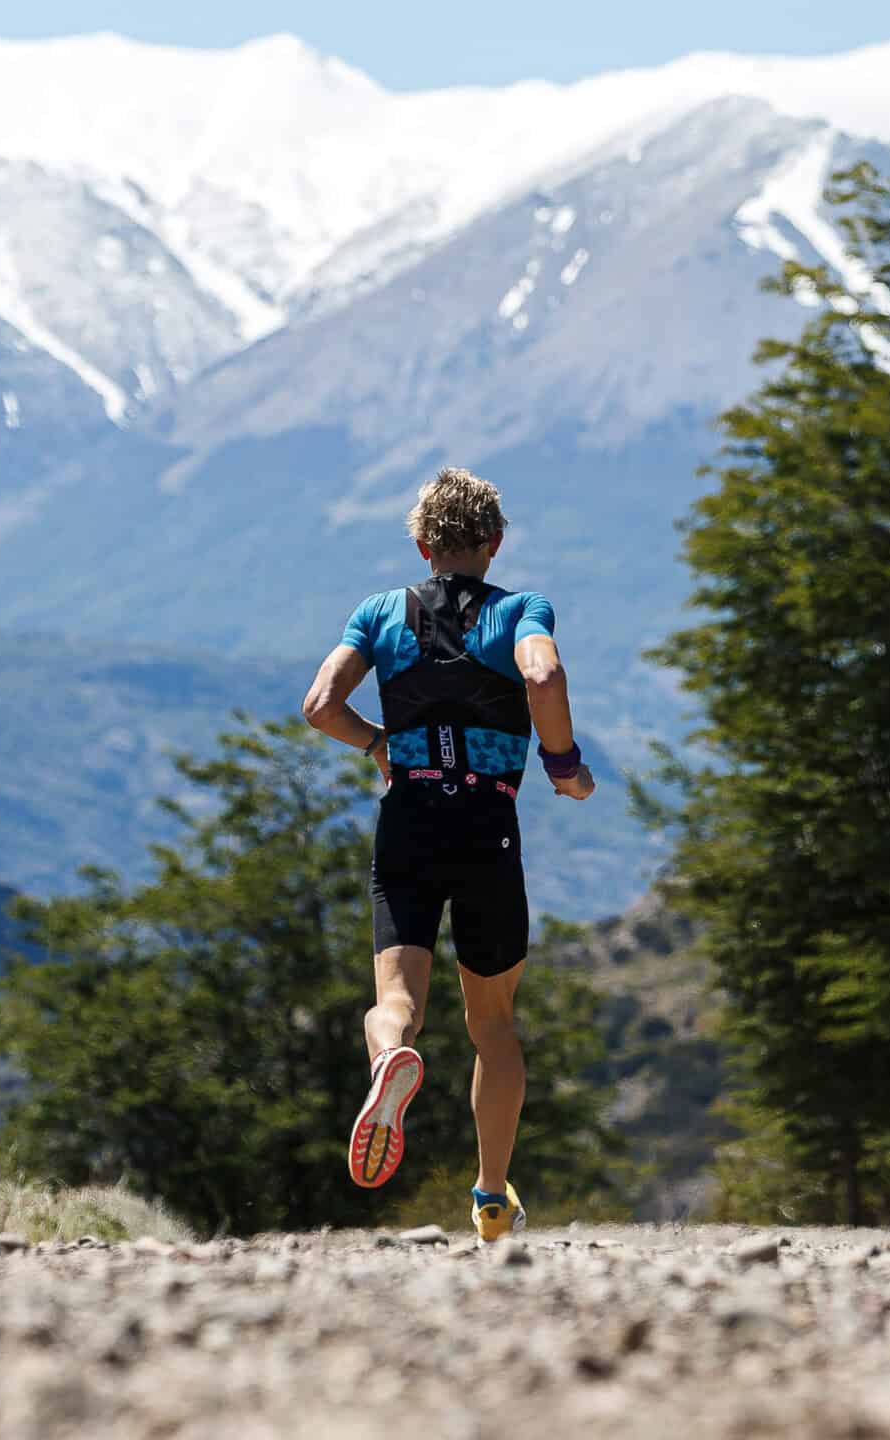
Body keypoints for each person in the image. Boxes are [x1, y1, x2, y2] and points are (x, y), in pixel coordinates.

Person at [300, 467, 595, 1242]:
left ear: (423, 545)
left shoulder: (379, 612)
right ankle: (491, 1199)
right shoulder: (520, 611)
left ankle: (390, 1058)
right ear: (494, 544)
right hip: (486, 826)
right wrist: (562, 766)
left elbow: (320, 705)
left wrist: (377, 746)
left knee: (396, 999)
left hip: (409, 819)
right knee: (491, 1025)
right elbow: (545, 673)